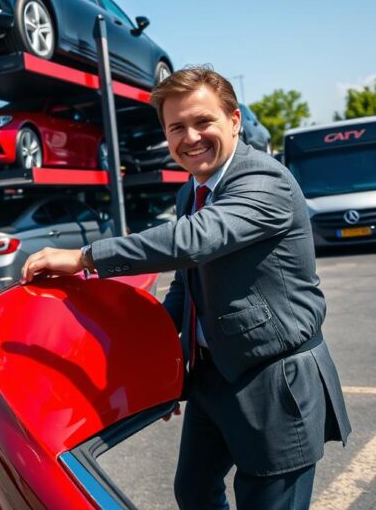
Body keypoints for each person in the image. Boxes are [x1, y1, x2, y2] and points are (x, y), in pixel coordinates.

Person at [22, 67, 350, 510]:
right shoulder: (191, 192)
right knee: (193, 492)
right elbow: (187, 283)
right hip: (211, 378)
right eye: (176, 127)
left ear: (234, 120)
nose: (190, 137)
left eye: (203, 122)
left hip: (273, 381)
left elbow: (195, 240)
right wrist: (162, 365)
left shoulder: (263, 181)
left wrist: (86, 258)